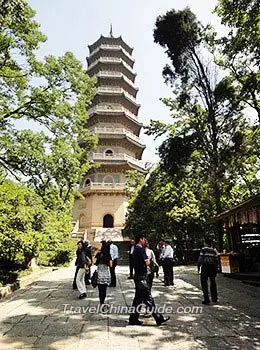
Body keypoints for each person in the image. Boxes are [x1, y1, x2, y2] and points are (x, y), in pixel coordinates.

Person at [128, 234, 170, 326]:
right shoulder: (140, 249)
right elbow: (147, 262)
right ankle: (159, 318)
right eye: (144, 239)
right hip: (142, 277)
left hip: (137, 276)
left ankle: (133, 318)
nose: (145, 241)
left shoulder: (135, 249)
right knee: (148, 299)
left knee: (138, 300)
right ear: (140, 239)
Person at [198, 238, 218, 304]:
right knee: (213, 282)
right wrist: (216, 269)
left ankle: (206, 299)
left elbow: (200, 259)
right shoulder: (214, 250)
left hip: (205, 267)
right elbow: (216, 260)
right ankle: (214, 298)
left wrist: (198, 267)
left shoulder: (203, 249)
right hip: (212, 267)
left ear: (205, 243)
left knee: (204, 282)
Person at [95, 240, 112, 306]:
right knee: (104, 289)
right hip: (106, 274)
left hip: (99, 273)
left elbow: (94, 262)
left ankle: (101, 301)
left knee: (100, 289)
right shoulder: (108, 255)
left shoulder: (99, 254)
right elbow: (111, 265)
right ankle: (103, 300)